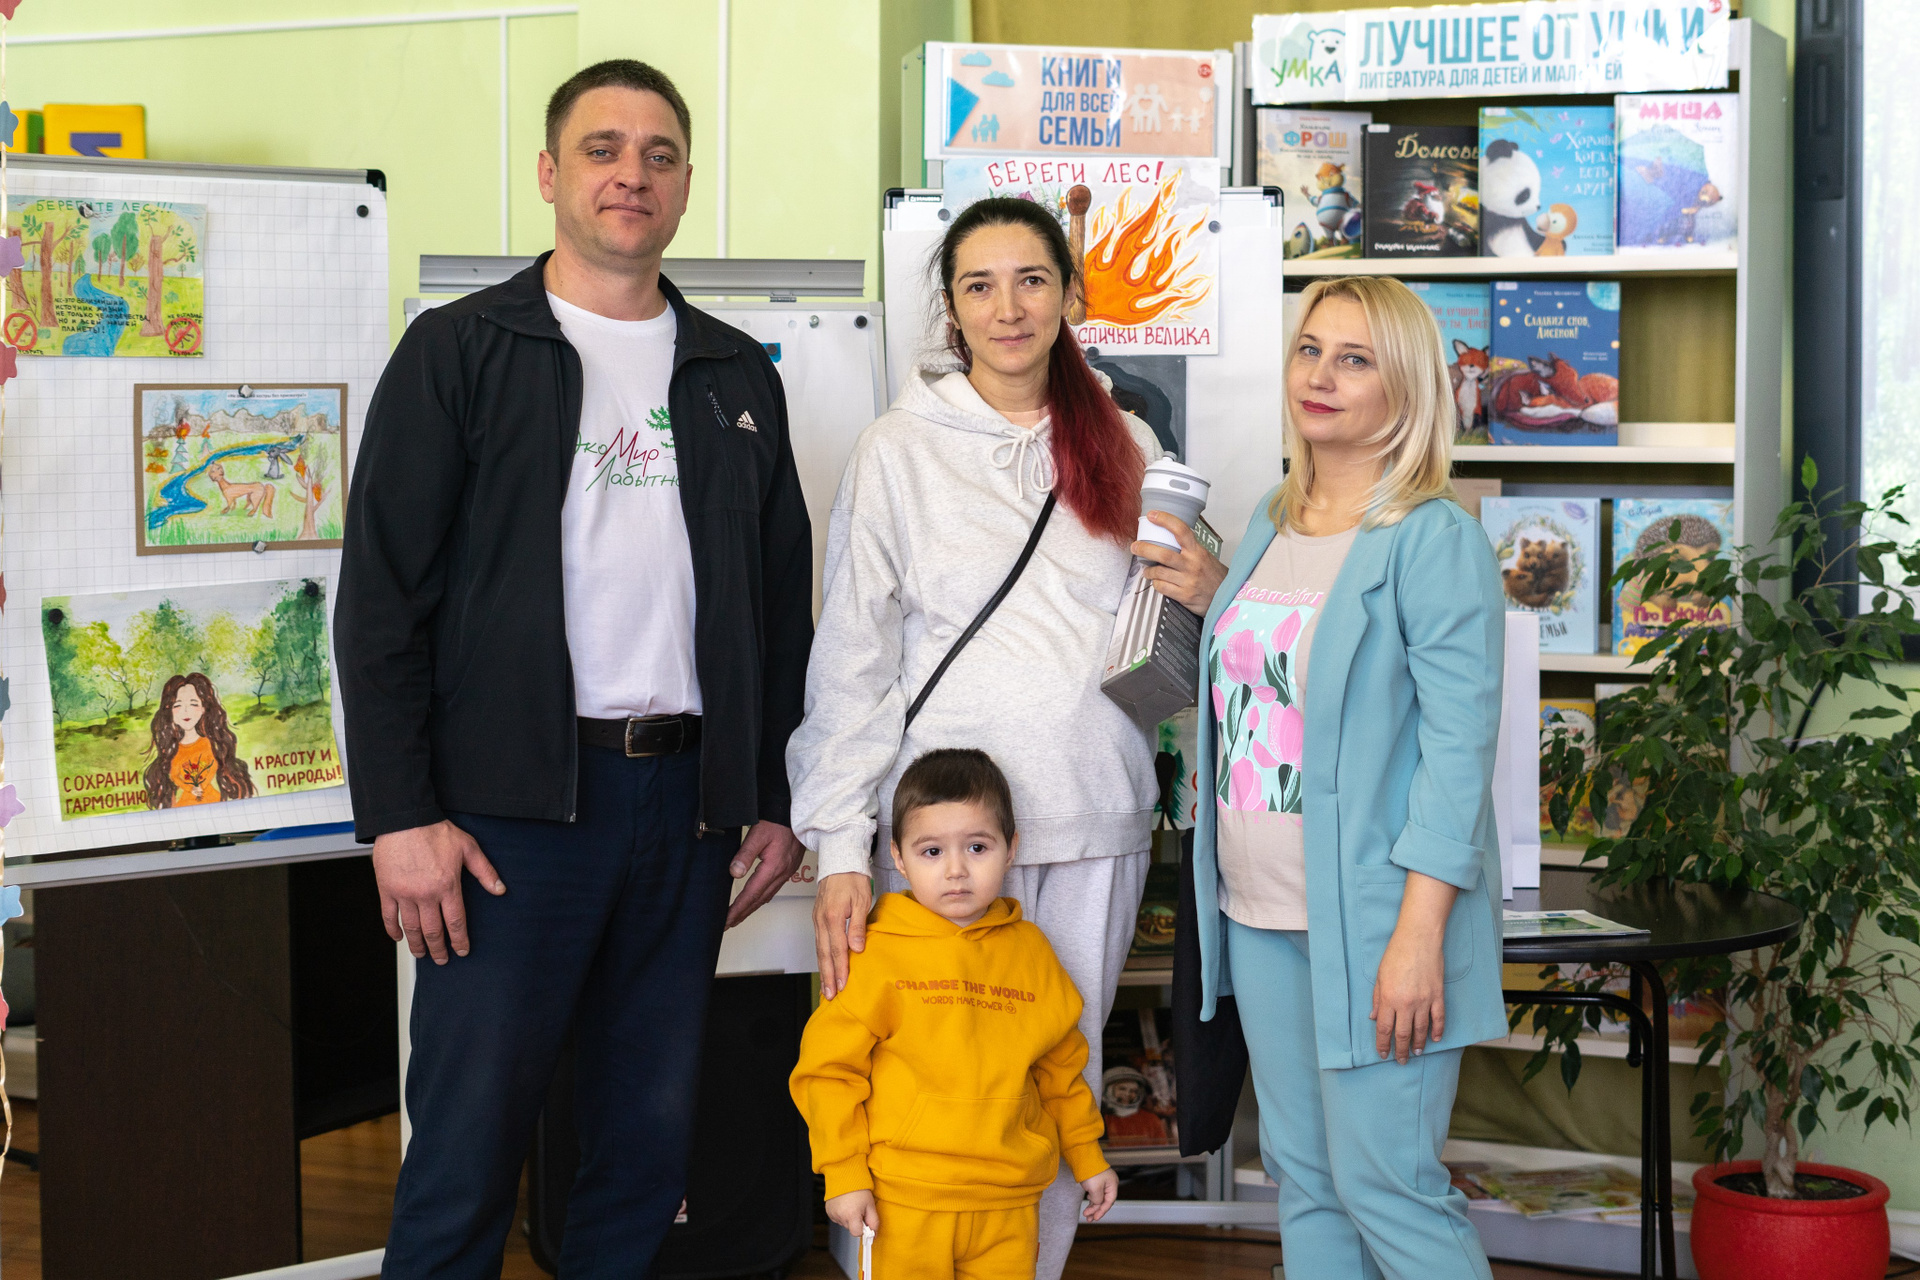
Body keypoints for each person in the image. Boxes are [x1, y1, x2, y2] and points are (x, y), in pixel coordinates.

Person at [335, 59, 813, 1279]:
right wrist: (400, 814)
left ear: (686, 184)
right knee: (466, 1150)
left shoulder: (734, 372)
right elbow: (381, 601)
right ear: (551, 174)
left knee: (647, 1146)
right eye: (602, 149)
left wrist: (769, 792)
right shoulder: (459, 351)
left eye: (659, 154)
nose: (630, 174)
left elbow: (776, 608)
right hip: (507, 817)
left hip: (686, 810)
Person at [789, 195, 1224, 1277]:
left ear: (1071, 295)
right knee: (916, 1097)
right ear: (951, 309)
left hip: (1092, 815)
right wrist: (841, 846)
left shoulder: (1127, 441)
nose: (1008, 307)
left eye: (1031, 279)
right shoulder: (897, 451)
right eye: (978, 285)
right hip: (941, 835)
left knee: (1044, 1092)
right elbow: (852, 658)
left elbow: (1163, 633)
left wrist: (1204, 586)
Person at [1181, 275, 1504, 1280]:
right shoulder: (1273, 519)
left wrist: (1417, 939)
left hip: (1375, 923)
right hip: (1258, 912)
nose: (1320, 375)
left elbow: (1458, 753)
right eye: (1310, 349)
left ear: (1403, 388)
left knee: (1388, 1189)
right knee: (1307, 1183)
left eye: (1354, 359)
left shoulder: (1433, 538)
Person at [790, 749, 1119, 1278]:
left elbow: (1060, 1070)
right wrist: (844, 1173)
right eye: (931, 851)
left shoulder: (1033, 954)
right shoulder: (874, 953)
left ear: (1011, 849)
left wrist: (1087, 1154)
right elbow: (828, 1073)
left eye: (977, 847)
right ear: (898, 858)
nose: (956, 870)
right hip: (905, 1200)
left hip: (1010, 1201)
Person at [142, 672, 255, 809]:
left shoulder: (208, 743)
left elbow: (212, 766)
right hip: (185, 803)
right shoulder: (174, 750)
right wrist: (190, 789)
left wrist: (201, 785)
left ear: (203, 709)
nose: (185, 711)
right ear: (169, 711)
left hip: (212, 800)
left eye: (193, 704)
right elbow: (175, 776)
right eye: (177, 705)